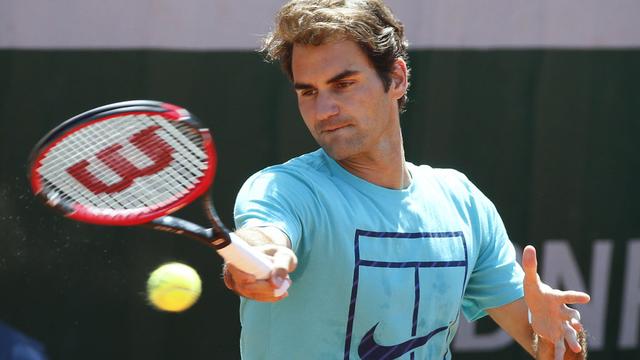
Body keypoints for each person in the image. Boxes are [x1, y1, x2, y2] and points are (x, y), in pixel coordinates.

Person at [223, 1, 590, 359]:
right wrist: (257, 260)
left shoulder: (462, 201)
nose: (324, 110)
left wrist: (561, 339)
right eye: (308, 91)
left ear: (396, 78)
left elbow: (552, 351)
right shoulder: (283, 189)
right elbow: (263, 237)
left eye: (343, 84)